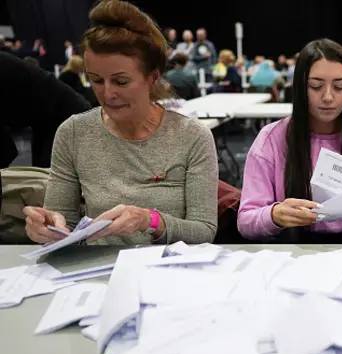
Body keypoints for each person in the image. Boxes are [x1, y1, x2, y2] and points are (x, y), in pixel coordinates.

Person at [23, 0, 218, 246]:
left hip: (171, 274)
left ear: (153, 77)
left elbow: (204, 231)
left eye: (121, 82)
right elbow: (62, 220)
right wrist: (48, 228)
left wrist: (149, 220)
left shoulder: (192, 136)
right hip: (95, 276)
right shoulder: (73, 133)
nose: (106, 94)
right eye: (95, 80)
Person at [237, 38, 342, 244]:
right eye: (315, 86)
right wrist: (274, 215)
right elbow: (246, 221)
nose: (328, 97)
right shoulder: (272, 139)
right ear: (300, 87)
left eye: (339, 87)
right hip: (289, 252)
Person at [0, 51, 90, 167]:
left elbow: (5, 150)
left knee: (52, 176)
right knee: (42, 173)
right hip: (44, 119)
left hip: (67, 115)